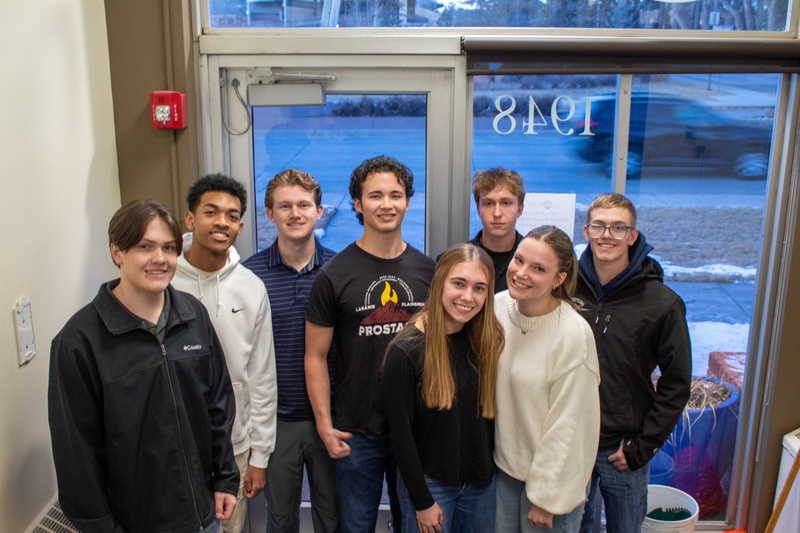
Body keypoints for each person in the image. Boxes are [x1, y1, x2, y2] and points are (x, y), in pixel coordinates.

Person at [48, 199, 239, 533]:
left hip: (203, 514)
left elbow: (218, 404)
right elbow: (75, 451)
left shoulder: (193, 315)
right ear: (117, 252)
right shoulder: (79, 342)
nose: (160, 259)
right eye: (144, 247)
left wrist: (225, 478)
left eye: (169, 248)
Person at [305, 155, 435, 533]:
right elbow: (315, 356)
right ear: (358, 204)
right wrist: (325, 425)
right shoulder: (333, 275)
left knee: (415, 524)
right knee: (355, 525)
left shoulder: (428, 271)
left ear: (407, 201)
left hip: (416, 428)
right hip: (356, 430)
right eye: (375, 195)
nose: (386, 204)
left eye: (395, 195)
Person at [576, 193, 691, 533]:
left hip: (622, 450)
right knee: (575, 527)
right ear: (586, 231)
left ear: (632, 235)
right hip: (571, 442)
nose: (607, 235)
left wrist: (644, 445)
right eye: (599, 225)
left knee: (625, 527)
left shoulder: (662, 304)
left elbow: (677, 382)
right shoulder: (565, 288)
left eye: (618, 227)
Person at [172, 174, 277, 533]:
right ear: (190, 218)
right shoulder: (165, 280)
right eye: (211, 212)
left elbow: (262, 377)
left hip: (234, 447)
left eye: (232, 216)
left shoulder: (251, 288)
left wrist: (259, 455)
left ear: (240, 226)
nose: (222, 222)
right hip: (174, 446)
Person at [383, 243, 504, 533]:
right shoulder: (406, 351)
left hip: (481, 486)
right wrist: (422, 501)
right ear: (439, 283)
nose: (468, 297)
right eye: (458, 284)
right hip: (431, 487)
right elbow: (400, 436)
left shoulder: (486, 342)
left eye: (479, 288)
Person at [242, 169, 338, 533]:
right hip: (276, 423)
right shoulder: (250, 277)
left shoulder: (339, 271)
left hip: (330, 419)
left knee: (332, 517)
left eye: (303, 205)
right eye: (285, 206)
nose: (295, 213)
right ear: (270, 213)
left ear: (319, 211)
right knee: (280, 519)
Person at [494, 225, 600, 533]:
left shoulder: (573, 335)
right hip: (506, 473)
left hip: (551, 487)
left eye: (538, 268)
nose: (521, 273)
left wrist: (547, 498)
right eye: (519, 260)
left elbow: (571, 426)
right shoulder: (498, 307)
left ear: (559, 279)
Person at [470, 168, 526, 292]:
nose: (497, 213)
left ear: (520, 209)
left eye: (506, 203)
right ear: (478, 209)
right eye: (488, 203)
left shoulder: (535, 260)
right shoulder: (456, 260)